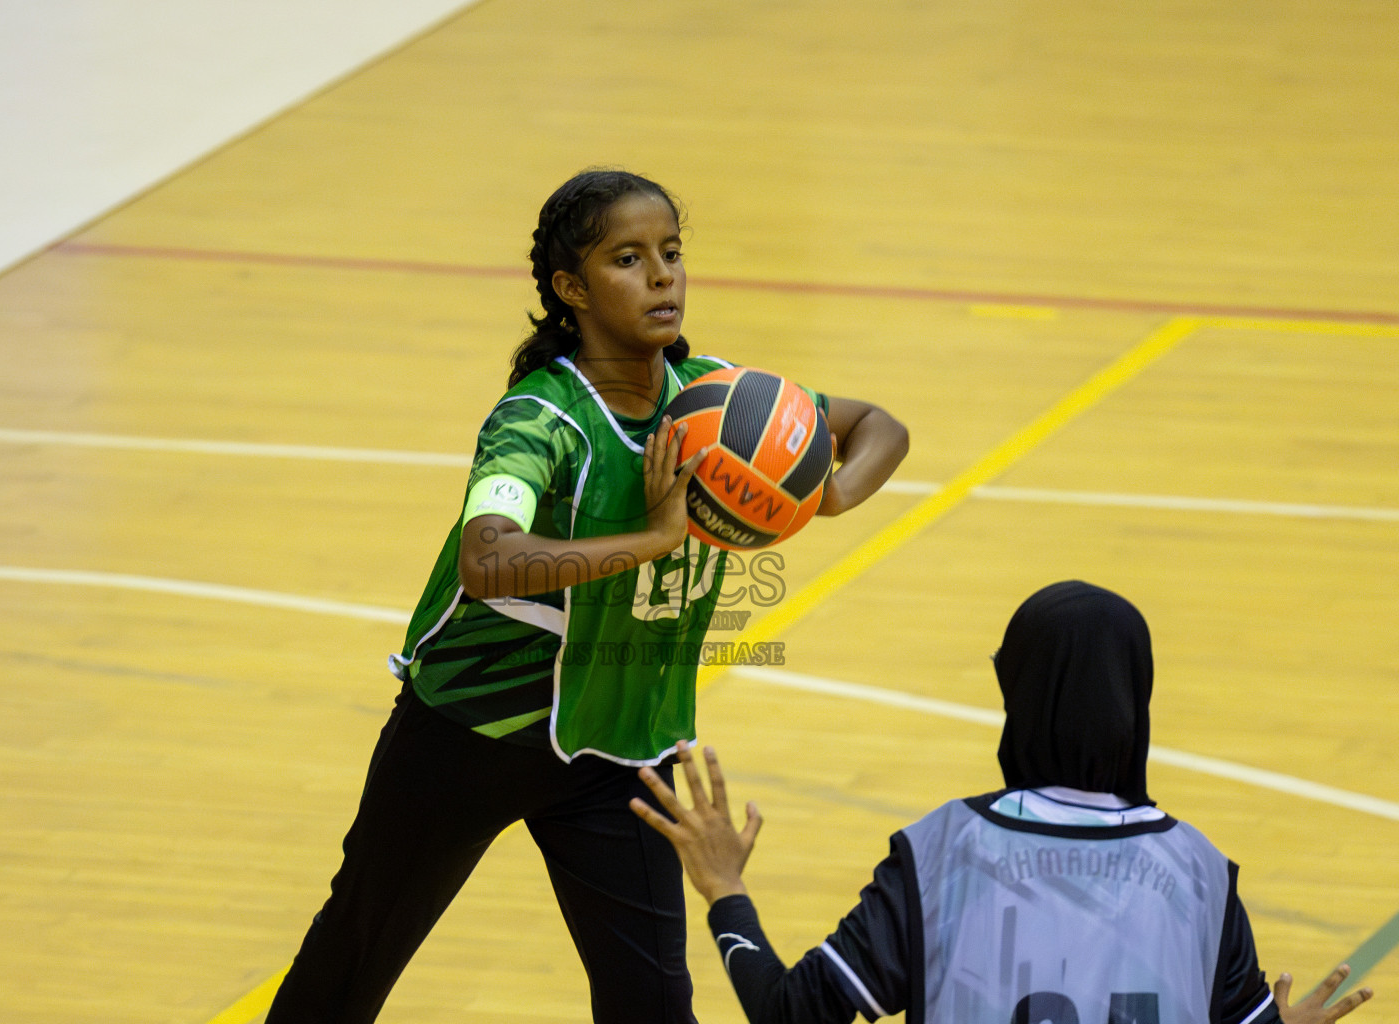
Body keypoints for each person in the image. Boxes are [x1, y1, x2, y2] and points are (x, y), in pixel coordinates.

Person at [262, 168, 911, 1024]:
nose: (662, 276)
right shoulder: (538, 420)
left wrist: (817, 491)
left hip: (615, 744)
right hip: (472, 734)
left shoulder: (722, 400)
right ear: (572, 288)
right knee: (352, 963)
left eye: (672, 254)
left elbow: (879, 428)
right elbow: (486, 558)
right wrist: (649, 538)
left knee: (653, 1009)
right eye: (628, 259)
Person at [633, 581, 1376, 1024]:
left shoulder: (941, 853)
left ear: (1016, 696)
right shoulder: (1201, 873)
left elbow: (791, 1014)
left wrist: (726, 891)